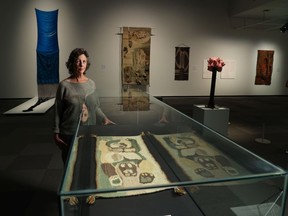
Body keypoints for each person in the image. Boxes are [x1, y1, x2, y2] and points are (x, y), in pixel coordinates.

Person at [53, 48, 115, 164]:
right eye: (78, 61)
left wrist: (104, 119)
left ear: (87, 64)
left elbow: (95, 107)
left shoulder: (91, 83)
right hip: (70, 133)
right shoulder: (64, 85)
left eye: (84, 61)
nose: (81, 64)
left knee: (88, 162)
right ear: (72, 63)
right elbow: (57, 110)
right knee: (70, 165)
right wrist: (56, 132)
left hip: (89, 130)